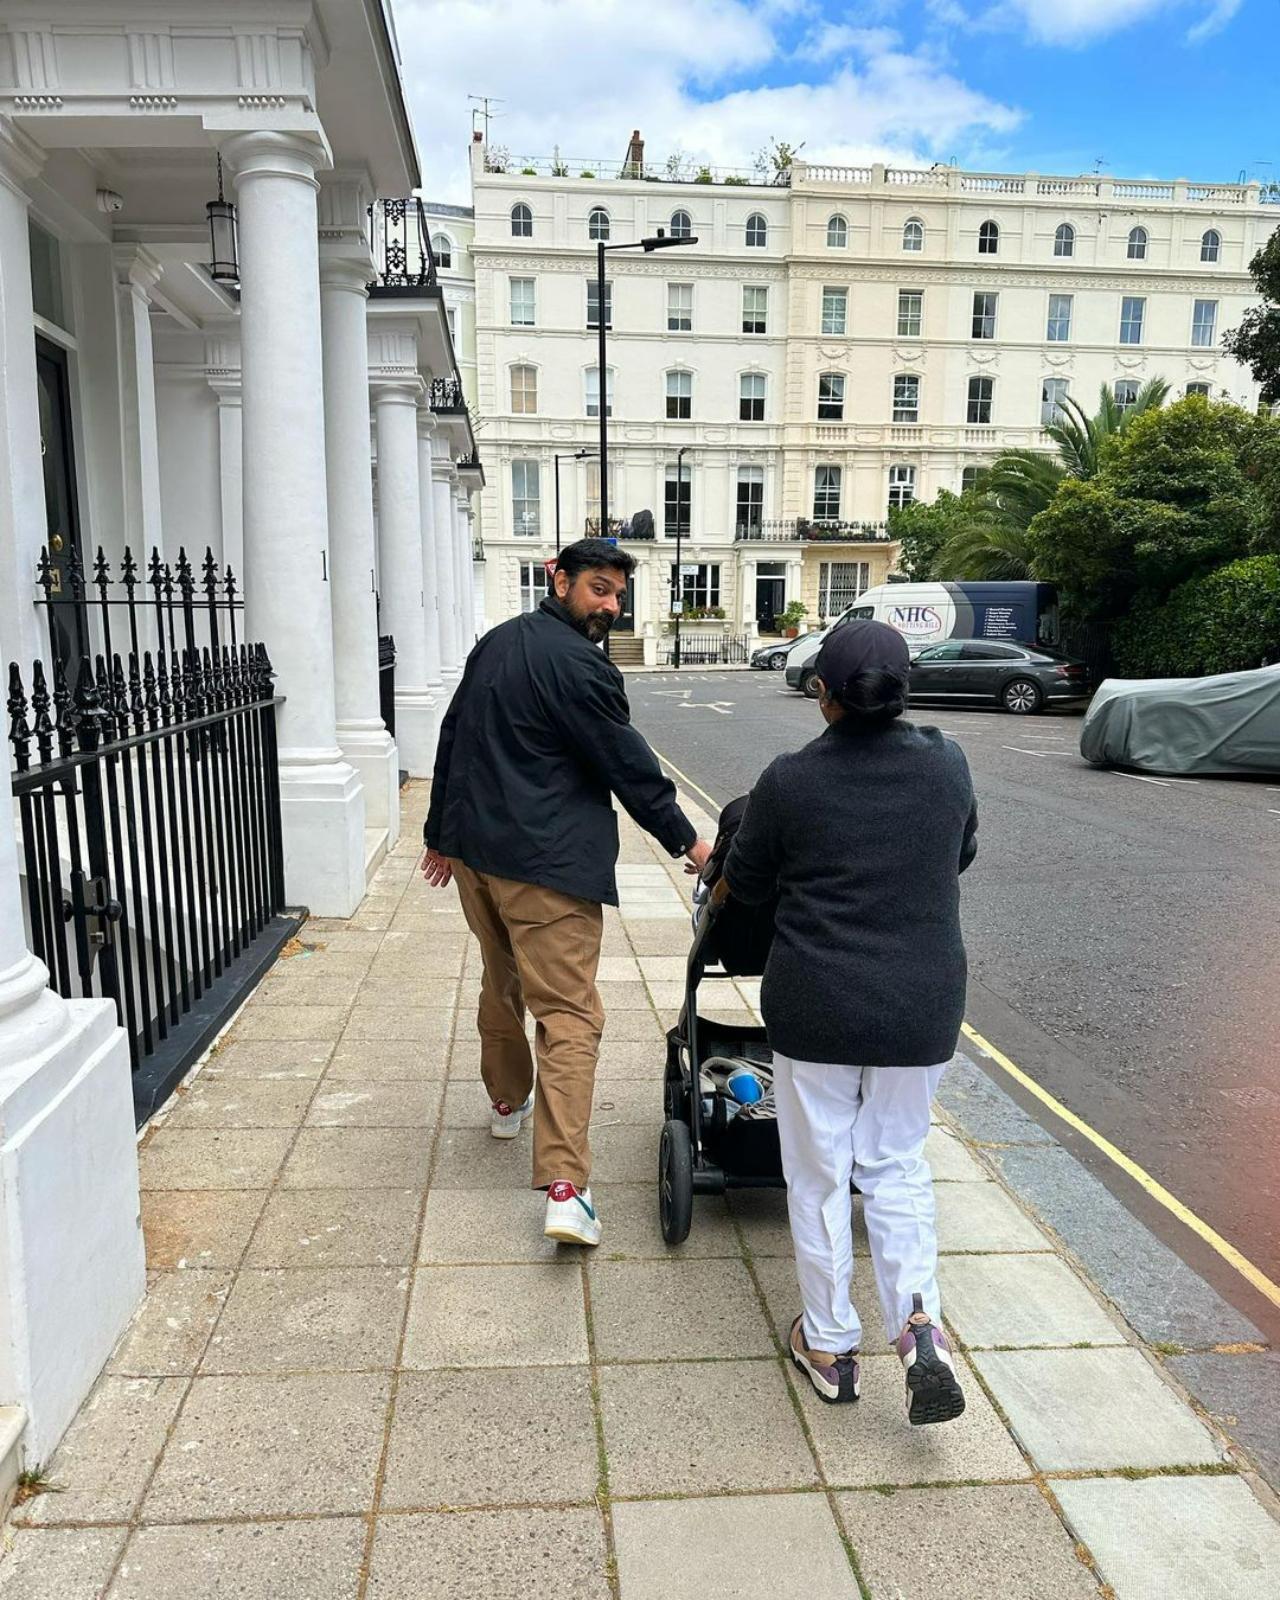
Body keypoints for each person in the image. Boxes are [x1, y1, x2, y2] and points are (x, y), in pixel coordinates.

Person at [722, 618, 977, 1423]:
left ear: (820, 693)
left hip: (817, 1004)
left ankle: (829, 1344)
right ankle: (919, 1327)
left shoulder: (790, 779)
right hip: (922, 1003)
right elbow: (961, 852)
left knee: (823, 1172)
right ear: (906, 689)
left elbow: (748, 881)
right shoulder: (946, 763)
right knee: (897, 1165)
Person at [421, 538, 712, 1246]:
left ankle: (505, 1100)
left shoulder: (496, 642)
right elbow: (628, 765)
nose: (610, 606)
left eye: (617, 595)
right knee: (570, 1015)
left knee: (502, 979)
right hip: (545, 867)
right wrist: (690, 842)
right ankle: (565, 1188)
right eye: (598, 590)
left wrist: (439, 833)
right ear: (559, 580)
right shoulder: (580, 667)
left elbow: (452, 734)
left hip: (476, 860)